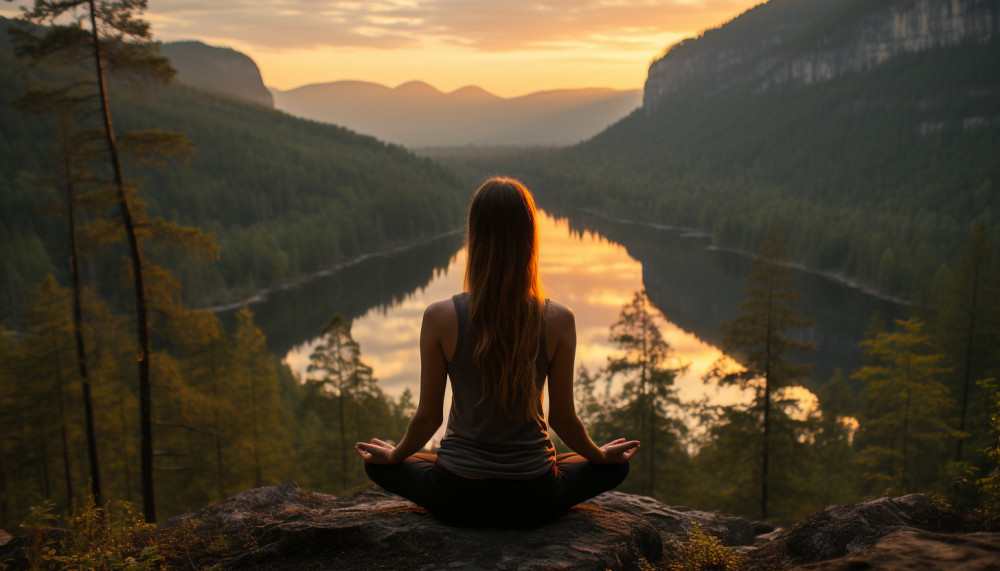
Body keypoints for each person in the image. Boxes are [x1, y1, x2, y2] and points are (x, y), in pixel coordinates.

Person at [356, 176, 638, 527]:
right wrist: (598, 455)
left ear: (475, 238)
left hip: (455, 496)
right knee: (613, 466)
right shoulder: (558, 319)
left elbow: (428, 419)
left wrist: (395, 455)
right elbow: (563, 420)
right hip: (534, 498)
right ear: (530, 239)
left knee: (380, 464)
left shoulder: (439, 317)